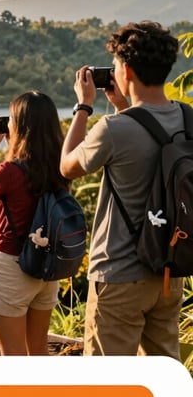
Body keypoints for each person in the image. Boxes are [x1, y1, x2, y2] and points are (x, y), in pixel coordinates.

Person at [60, 21, 183, 359]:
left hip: (119, 276)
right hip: (169, 275)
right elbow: (153, 148)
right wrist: (123, 109)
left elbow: (67, 166)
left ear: (126, 70)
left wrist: (84, 106)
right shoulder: (188, 119)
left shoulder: (113, 129)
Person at [0, 91, 68, 355]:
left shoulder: (8, 172)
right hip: (47, 267)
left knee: (13, 359)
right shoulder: (60, 167)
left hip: (12, 268)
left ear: (19, 127)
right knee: (37, 353)